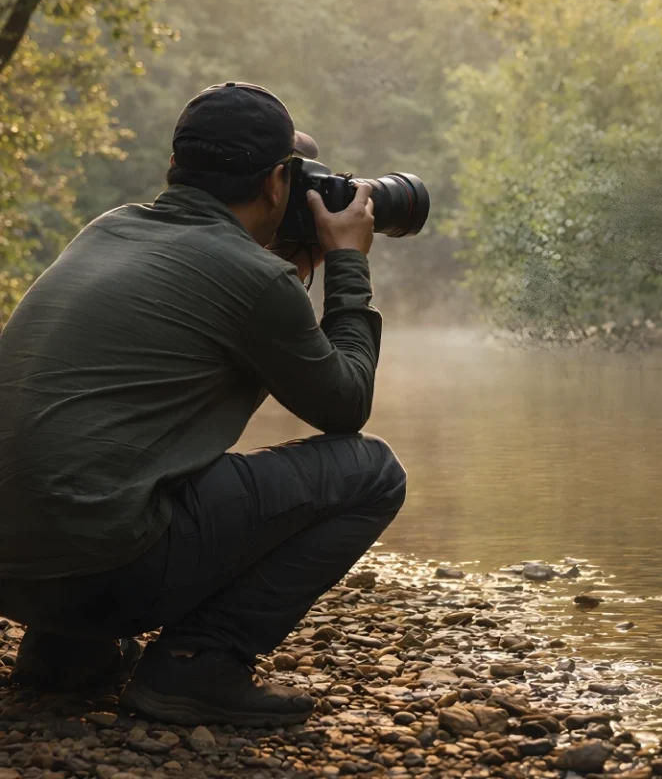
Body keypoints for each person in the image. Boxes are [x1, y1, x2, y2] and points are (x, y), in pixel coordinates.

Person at [0, 82, 407, 726]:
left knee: (105, 460)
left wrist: (281, 261)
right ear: (277, 183)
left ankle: (65, 651)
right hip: (103, 573)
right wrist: (347, 263)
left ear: (175, 166)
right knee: (372, 472)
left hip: (12, 573)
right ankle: (198, 664)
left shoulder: (107, 230)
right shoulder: (253, 278)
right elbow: (346, 403)